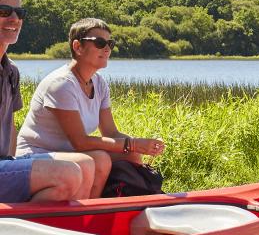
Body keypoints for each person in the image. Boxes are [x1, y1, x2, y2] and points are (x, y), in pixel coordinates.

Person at [17, 17, 165, 196]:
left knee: (131, 155)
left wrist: (143, 145)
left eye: (110, 43)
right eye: (100, 42)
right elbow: (80, 142)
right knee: (100, 159)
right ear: (78, 47)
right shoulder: (61, 84)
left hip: (68, 153)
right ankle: (87, 213)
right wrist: (132, 143)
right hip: (37, 156)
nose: (107, 48)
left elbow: (110, 132)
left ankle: (114, 206)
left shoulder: (99, 83)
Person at [0, 0, 97, 202]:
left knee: (84, 163)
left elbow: (11, 127)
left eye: (19, 12)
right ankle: (22, 232)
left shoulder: (11, 70)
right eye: (4, 11)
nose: (14, 19)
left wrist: (16, 166)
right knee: (67, 174)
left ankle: (70, 230)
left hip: (5, 163)